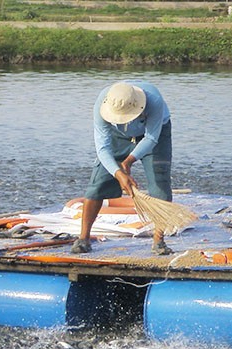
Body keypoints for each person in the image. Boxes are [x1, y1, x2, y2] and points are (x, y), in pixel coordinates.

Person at [72, 81, 175, 256]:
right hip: (117, 135)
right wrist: (118, 173)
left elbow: (151, 139)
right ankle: (83, 239)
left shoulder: (154, 100)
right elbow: (103, 148)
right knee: (97, 185)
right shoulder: (102, 104)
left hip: (153, 134)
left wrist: (127, 163)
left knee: (160, 185)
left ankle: (159, 241)